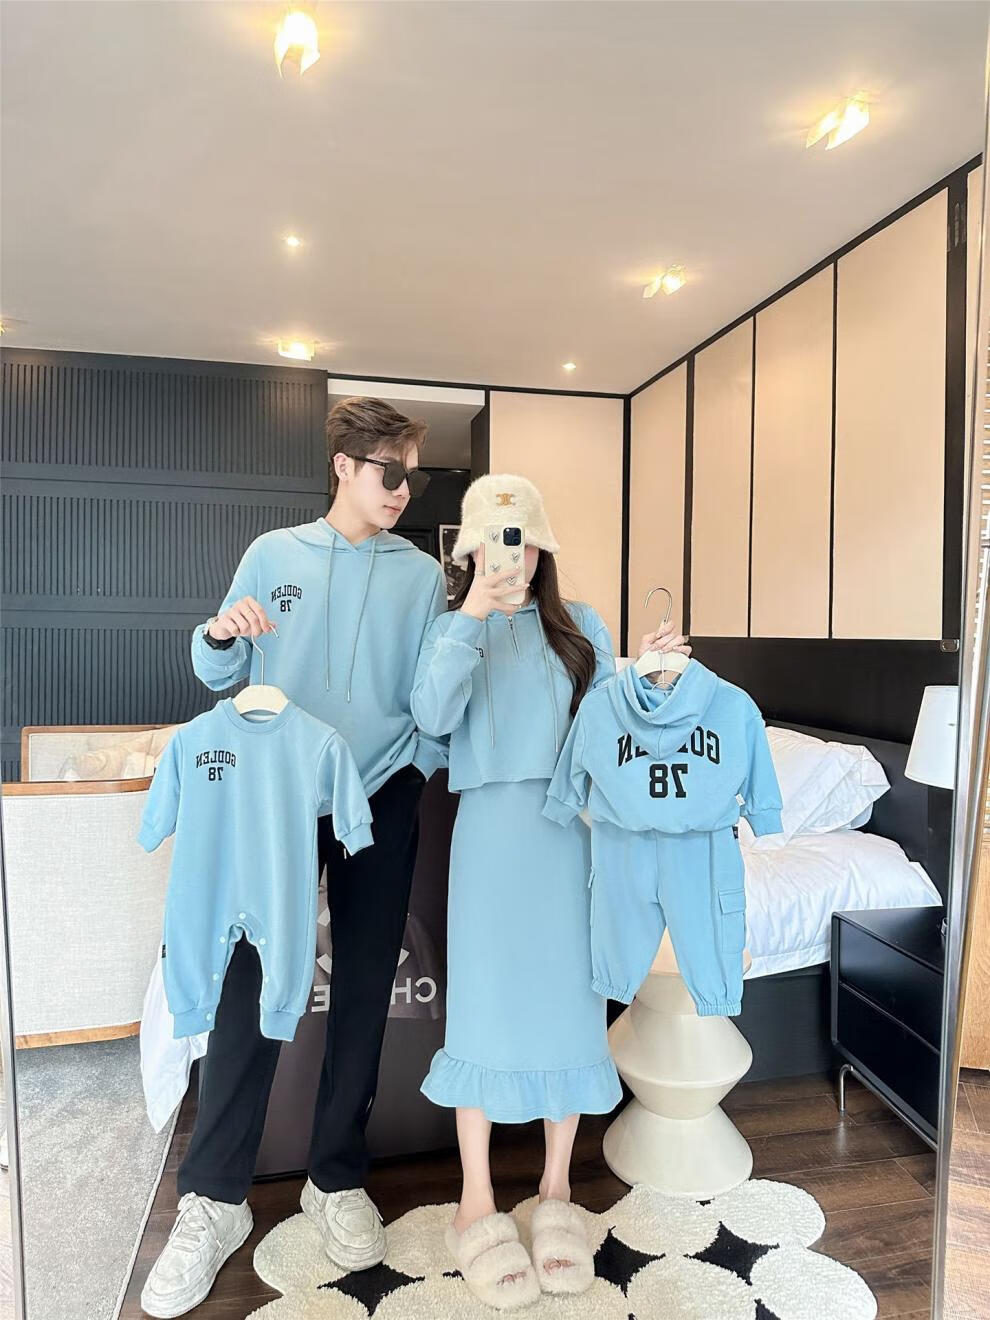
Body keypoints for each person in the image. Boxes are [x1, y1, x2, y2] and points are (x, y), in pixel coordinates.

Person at [141, 397, 448, 1319]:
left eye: (411, 475)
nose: (401, 490)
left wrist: (417, 768)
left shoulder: (420, 577)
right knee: (248, 980)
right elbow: (217, 671)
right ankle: (215, 1198)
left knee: (365, 984)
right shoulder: (273, 555)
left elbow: (433, 694)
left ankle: (336, 1177)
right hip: (274, 795)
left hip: (381, 791)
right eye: (388, 471)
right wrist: (221, 635)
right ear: (344, 466)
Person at [411, 473, 690, 1310]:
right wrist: (471, 615)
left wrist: (653, 684)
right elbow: (430, 716)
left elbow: (616, 731)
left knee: (570, 1008)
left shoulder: (584, 630)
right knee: (483, 1011)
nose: (515, 556)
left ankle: (558, 1188)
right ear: (470, 550)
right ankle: (475, 1200)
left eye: (527, 540)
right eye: (499, 541)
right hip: (489, 842)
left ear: (545, 547)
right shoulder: (452, 629)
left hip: (569, 838)